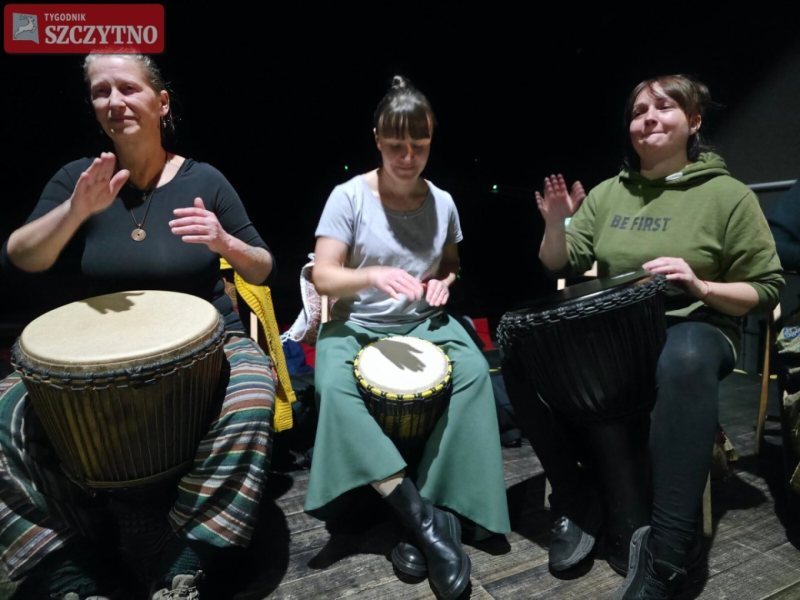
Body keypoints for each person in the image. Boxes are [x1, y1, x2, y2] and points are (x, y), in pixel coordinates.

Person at [0, 53, 276, 599]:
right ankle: (65, 570)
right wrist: (75, 211)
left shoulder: (205, 179)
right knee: (4, 414)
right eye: (101, 91)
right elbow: (22, 257)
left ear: (161, 102)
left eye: (128, 88)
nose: (114, 101)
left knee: (252, 394)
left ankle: (183, 555)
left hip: (210, 342)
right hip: (96, 353)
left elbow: (262, 266)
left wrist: (224, 242)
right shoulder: (78, 180)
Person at [506, 74, 783, 599]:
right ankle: (575, 495)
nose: (649, 118)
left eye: (664, 107)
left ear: (693, 121)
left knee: (685, 355)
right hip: (618, 337)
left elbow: (765, 287)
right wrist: (557, 224)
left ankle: (670, 552)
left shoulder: (727, 196)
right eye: (638, 111)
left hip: (696, 329)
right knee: (520, 347)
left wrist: (700, 284)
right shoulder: (609, 193)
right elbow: (560, 264)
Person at [303, 75, 510, 600]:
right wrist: (371, 274)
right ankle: (422, 520)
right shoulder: (349, 197)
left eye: (420, 144)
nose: (408, 156)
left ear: (431, 139)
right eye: (396, 144)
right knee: (333, 388)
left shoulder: (442, 202)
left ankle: (439, 505)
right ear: (377, 138)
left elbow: (451, 264)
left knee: (474, 374)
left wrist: (443, 283)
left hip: (421, 321)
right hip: (355, 323)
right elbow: (323, 275)